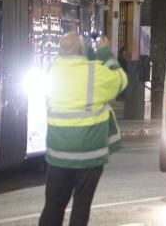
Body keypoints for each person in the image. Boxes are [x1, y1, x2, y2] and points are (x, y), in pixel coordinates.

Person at [39, 33, 128, 226]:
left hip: (58, 155)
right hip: (90, 156)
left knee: (53, 206)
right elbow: (121, 80)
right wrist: (104, 54)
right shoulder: (95, 72)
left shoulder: (50, 70)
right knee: (81, 205)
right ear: (83, 50)